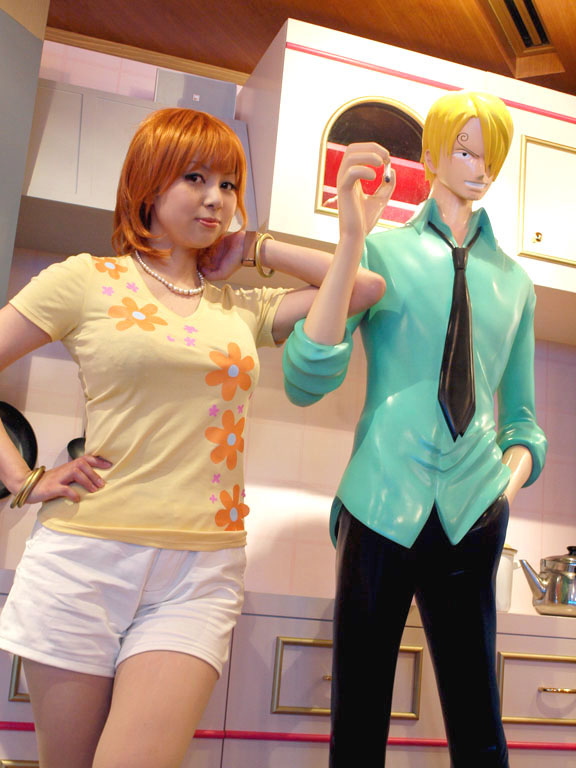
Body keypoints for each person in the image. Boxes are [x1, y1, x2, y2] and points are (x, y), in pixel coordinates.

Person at [0, 108, 390, 768]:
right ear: (148, 185)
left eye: (229, 184)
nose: (216, 198)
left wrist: (258, 247)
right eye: (195, 177)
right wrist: (23, 478)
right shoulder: (85, 280)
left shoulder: (239, 308)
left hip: (200, 571)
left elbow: (364, 288)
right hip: (83, 562)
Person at [283, 91, 547, 767]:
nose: (479, 167)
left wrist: (503, 487)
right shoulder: (380, 252)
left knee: (479, 723)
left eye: (490, 156)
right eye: (463, 150)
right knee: (358, 717)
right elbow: (308, 377)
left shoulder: (516, 283)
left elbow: (522, 420)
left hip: (473, 510)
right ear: (428, 156)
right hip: (379, 499)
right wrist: (348, 245)